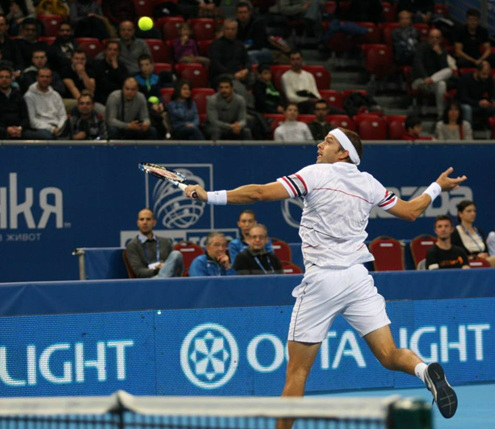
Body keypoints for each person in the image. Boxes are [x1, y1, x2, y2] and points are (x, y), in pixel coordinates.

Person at [185, 127, 465, 421]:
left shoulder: (315, 174)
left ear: (344, 152)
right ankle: (423, 369)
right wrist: (436, 187)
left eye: (328, 141)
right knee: (389, 354)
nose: (320, 145)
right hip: (359, 280)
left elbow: (259, 192)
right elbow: (410, 211)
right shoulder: (369, 183)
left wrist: (208, 196)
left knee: (297, 373)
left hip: (323, 282)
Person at [126, 208, 184, 278]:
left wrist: (165, 268)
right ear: (138, 223)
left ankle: (162, 279)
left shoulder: (165, 242)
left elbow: (175, 267)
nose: (145, 222)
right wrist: (157, 269)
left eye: (148, 219)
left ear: (154, 223)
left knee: (176, 254)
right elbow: (139, 272)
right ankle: (162, 279)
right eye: (142, 219)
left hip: (169, 277)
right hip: (149, 281)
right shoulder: (132, 245)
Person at [411, 28, 452, 118]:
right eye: (432, 37)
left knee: (444, 79)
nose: (434, 40)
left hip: (433, 82)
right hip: (421, 80)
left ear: (440, 40)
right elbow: (418, 64)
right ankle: (430, 80)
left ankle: (440, 115)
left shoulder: (442, 51)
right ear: (428, 38)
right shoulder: (422, 47)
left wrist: (439, 54)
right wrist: (425, 77)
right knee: (440, 81)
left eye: (437, 38)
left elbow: (444, 70)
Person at [134, 54, 172, 139]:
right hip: (142, 107)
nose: (145, 67)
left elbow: (158, 94)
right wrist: (151, 105)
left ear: (151, 65)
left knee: (166, 112)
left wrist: (160, 104)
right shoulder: (135, 79)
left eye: (147, 64)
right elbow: (139, 97)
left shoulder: (156, 78)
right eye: (142, 65)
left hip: (155, 106)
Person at [23, 67, 67, 140]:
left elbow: (62, 115)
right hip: (40, 128)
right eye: (42, 76)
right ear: (37, 78)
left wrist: (60, 128)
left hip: (57, 126)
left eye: (47, 77)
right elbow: (32, 121)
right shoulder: (29, 96)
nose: (45, 79)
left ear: (51, 79)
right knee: (48, 136)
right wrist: (51, 129)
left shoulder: (56, 95)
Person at [208, 19, 252, 90]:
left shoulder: (240, 45)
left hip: (239, 74)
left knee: (256, 77)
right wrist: (233, 74)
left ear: (237, 31)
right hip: (221, 76)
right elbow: (217, 65)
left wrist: (246, 70)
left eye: (232, 29)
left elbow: (247, 60)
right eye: (227, 29)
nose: (230, 31)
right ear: (223, 30)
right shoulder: (215, 45)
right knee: (232, 81)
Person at [205, 75, 252, 140]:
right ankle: (214, 150)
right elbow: (214, 121)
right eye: (221, 88)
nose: (223, 90)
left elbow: (243, 119)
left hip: (233, 127)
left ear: (232, 88)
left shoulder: (240, 100)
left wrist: (239, 126)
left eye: (226, 87)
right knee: (216, 131)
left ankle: (248, 150)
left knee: (246, 131)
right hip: (215, 127)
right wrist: (230, 126)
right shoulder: (212, 100)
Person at [451, 200, 495, 267]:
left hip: (485, 261)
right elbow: (455, 254)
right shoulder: (454, 233)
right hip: (467, 263)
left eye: (474, 211)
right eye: (469, 211)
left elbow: (486, 251)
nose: (473, 214)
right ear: (460, 214)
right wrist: (476, 257)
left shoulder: (479, 231)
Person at [457, 61, 495, 127]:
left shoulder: (488, 79)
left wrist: (493, 100)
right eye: (483, 74)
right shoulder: (465, 78)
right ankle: (468, 132)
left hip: (479, 102)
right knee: (467, 108)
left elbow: (492, 93)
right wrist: (478, 103)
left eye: (487, 74)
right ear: (477, 71)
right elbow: (463, 97)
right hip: (464, 103)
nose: (486, 77)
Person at [93, 40, 128, 109]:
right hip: (102, 99)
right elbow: (102, 85)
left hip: (119, 100)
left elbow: (124, 83)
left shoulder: (122, 66)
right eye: (110, 49)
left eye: (115, 50)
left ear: (118, 53)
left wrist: (115, 67)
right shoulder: (98, 65)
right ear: (105, 51)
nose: (112, 52)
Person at [61, 48, 96, 112]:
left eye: (82, 59)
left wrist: (83, 73)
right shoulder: (66, 71)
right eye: (76, 59)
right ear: (72, 59)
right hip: (72, 99)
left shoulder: (90, 69)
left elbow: (91, 89)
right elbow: (73, 89)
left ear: (86, 60)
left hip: (88, 100)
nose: (79, 61)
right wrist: (85, 103)